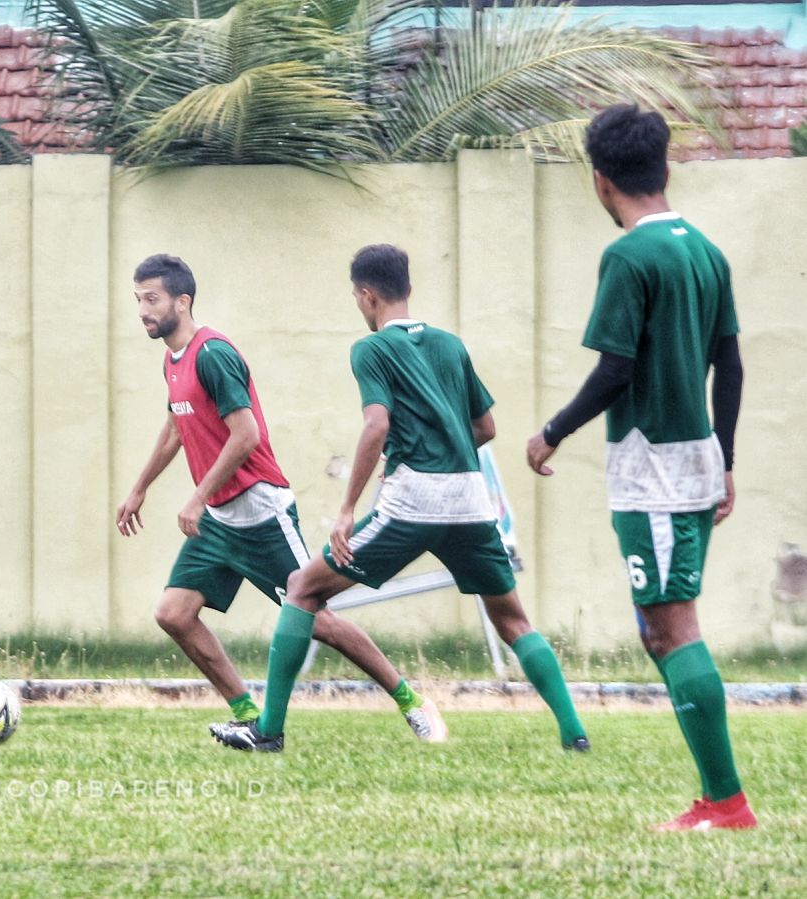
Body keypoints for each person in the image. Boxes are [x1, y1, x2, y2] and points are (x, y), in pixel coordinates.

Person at [213, 245, 588, 754]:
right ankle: (574, 734)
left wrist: (347, 509)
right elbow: (485, 427)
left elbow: (376, 424)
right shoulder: (451, 346)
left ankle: (268, 730)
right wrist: (441, 450)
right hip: (472, 501)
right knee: (513, 620)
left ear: (367, 296)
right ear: (407, 287)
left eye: (355, 297)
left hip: (413, 503)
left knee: (302, 589)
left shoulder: (370, 349)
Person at [525, 105, 754, 831]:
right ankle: (714, 797)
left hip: (651, 465)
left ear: (600, 181)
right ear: (664, 166)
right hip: (694, 457)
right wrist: (725, 458)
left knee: (673, 625)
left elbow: (615, 370)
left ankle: (727, 801)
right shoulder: (705, 251)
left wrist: (552, 431)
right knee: (660, 627)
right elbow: (732, 364)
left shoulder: (629, 255)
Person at [117, 254, 446, 748]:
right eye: (138, 299)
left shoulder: (213, 354)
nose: (142, 309)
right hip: (220, 520)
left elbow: (245, 435)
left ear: (182, 302)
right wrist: (140, 487)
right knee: (173, 613)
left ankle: (412, 703)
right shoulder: (173, 360)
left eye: (152, 299)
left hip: (260, 512)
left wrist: (196, 497)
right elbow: (175, 426)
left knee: (319, 620)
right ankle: (248, 712)